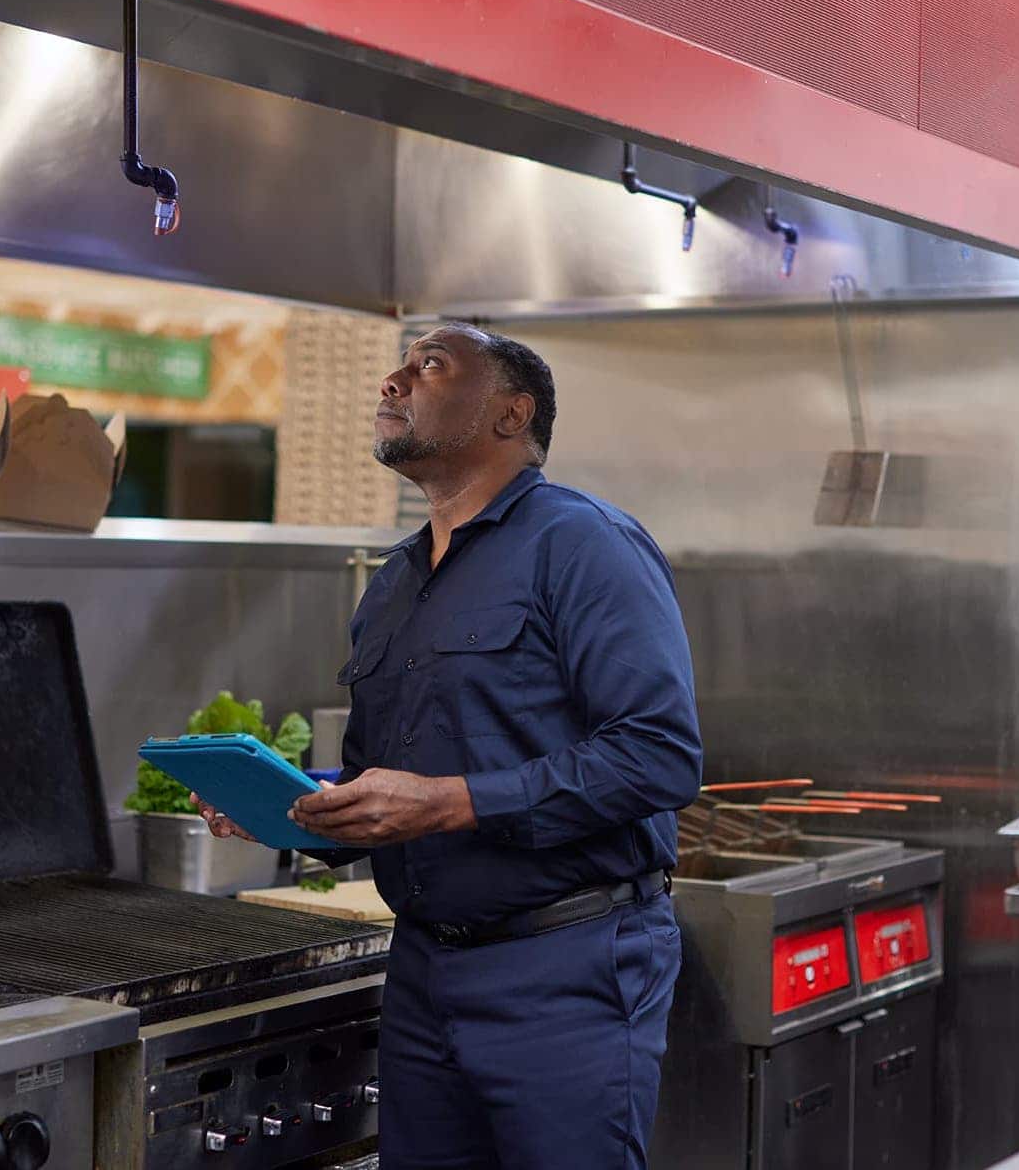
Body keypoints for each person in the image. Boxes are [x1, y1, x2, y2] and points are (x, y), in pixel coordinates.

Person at [194, 324, 702, 1169]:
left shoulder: (584, 543)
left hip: (567, 967)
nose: (393, 381)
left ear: (512, 412)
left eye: (429, 365)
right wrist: (284, 808)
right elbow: (379, 785)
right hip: (424, 973)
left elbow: (660, 753)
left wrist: (452, 801)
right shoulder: (393, 582)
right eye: (398, 367)